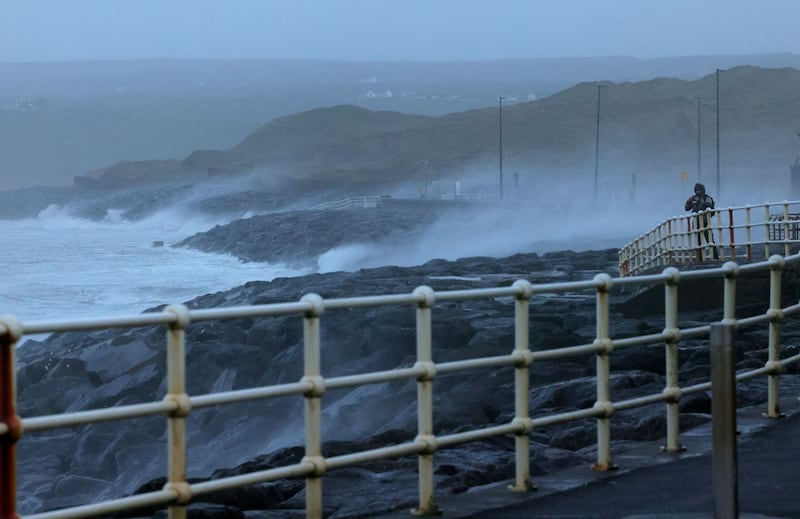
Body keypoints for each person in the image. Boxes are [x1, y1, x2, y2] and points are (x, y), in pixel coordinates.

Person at [685, 182, 719, 260]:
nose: (698, 192)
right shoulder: (693, 198)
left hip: (705, 222)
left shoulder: (707, 198)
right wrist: (689, 202)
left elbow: (708, 206)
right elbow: (687, 208)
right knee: (698, 243)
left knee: (710, 240)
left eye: (699, 190)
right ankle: (700, 259)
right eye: (697, 190)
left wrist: (699, 201)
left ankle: (715, 257)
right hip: (696, 223)